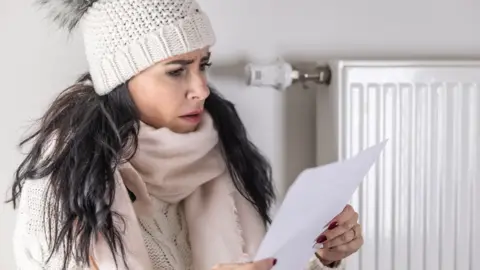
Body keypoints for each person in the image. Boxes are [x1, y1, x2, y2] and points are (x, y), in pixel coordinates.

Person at [7, 0, 363, 269]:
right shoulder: (65, 188)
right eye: (177, 71)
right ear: (121, 80)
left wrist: (319, 255)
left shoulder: (215, 154)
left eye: (202, 65)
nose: (202, 90)